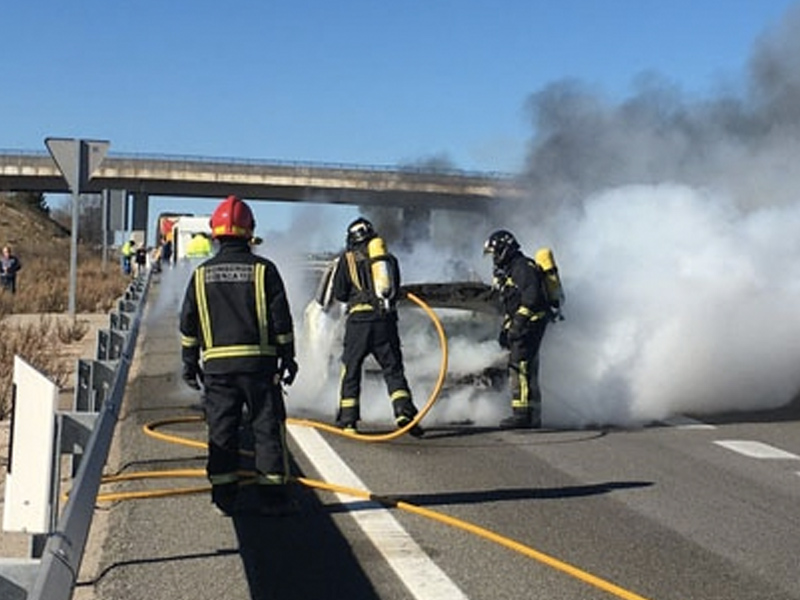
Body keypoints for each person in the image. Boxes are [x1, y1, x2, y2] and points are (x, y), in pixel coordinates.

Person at [179, 195, 299, 516]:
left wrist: (189, 364)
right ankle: (272, 496)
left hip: (218, 369)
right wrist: (289, 357)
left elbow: (188, 325)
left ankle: (224, 497)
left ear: (215, 234)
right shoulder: (265, 271)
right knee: (266, 428)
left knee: (222, 431)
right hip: (260, 366)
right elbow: (281, 322)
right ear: (250, 232)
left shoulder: (201, 275)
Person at [331, 217, 423, 437]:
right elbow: (395, 288)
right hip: (385, 321)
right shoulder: (387, 258)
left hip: (358, 324)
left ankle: (348, 421)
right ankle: (403, 412)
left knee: (351, 369)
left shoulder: (347, 260)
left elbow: (340, 294)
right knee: (393, 369)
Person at [483, 230, 550, 429]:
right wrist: (506, 329)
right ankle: (534, 415)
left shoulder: (521, 267)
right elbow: (510, 304)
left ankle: (521, 415)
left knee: (519, 366)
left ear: (506, 249)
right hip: (528, 323)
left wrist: (518, 324)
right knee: (528, 368)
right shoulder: (510, 269)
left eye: (495, 252)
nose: (494, 258)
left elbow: (532, 297)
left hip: (531, 323)